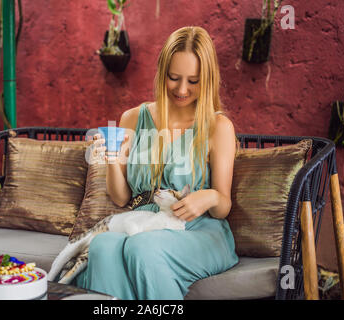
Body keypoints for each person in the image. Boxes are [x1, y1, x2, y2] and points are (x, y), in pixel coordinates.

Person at [73, 26, 239, 300]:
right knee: (102, 246)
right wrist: (112, 160)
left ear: (207, 79)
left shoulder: (218, 127)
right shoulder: (132, 119)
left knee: (143, 247)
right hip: (144, 221)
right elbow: (121, 197)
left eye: (193, 81)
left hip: (198, 228)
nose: (182, 89)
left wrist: (208, 196)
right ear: (162, 72)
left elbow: (223, 207)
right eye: (174, 78)